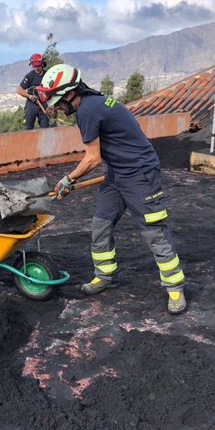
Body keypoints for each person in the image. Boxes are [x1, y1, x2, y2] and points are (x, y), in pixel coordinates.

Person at [35, 64, 187, 315]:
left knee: (154, 232)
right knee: (101, 224)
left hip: (140, 175)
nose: (57, 106)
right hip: (118, 173)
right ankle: (105, 276)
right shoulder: (91, 103)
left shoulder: (88, 111)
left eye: (57, 101)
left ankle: (175, 287)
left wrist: (68, 180)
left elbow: (92, 158)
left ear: (70, 94)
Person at [16, 53, 50, 130]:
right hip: (32, 104)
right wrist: (30, 96)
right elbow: (19, 90)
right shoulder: (30, 76)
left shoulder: (48, 75)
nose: (37, 68)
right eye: (35, 66)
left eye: (38, 66)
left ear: (42, 64)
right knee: (27, 127)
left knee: (45, 127)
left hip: (44, 104)